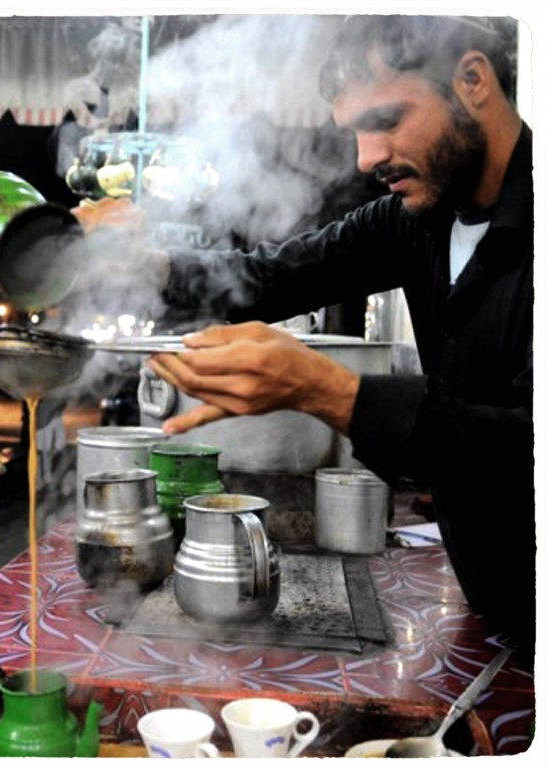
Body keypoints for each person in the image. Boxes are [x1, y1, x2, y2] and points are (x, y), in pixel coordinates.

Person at [140, 16, 532, 652]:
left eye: (386, 120)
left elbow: (524, 453)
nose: (367, 157)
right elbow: (269, 278)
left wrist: (331, 393)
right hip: (493, 610)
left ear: (472, 80)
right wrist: (142, 263)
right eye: (355, 131)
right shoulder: (413, 222)